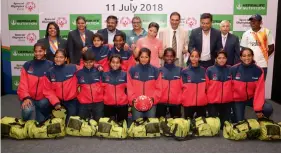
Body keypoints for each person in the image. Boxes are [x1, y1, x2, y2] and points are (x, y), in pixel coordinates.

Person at [231, 47, 273, 122]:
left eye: (249, 55)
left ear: (252, 56)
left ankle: (262, 121)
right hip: (238, 99)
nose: (247, 58)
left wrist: (258, 109)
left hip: (252, 98)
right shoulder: (233, 69)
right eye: (244, 56)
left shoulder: (258, 70)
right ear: (240, 57)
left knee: (268, 108)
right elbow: (229, 88)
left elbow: (259, 91)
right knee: (239, 122)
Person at [17, 43, 53, 123]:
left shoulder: (51, 65)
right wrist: (26, 98)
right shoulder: (27, 65)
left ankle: (46, 114)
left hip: (42, 99)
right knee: (27, 110)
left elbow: (53, 85)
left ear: (45, 51)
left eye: (40, 51)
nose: (38, 53)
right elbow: (23, 84)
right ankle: (25, 123)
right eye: (36, 51)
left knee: (40, 122)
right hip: (29, 97)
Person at [43, 49, 80, 123]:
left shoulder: (73, 68)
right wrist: (56, 102)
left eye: (61, 57)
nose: (58, 59)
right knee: (44, 105)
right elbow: (47, 90)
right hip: (57, 100)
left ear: (66, 59)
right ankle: (48, 116)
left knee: (69, 123)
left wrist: (97, 66)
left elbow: (87, 67)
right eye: (56, 57)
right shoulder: (49, 72)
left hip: (71, 100)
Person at [127, 48, 162, 120]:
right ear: (138, 57)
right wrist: (133, 100)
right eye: (142, 57)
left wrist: (153, 99)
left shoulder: (156, 70)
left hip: (151, 104)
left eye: (146, 57)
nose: (144, 59)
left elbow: (159, 88)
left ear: (149, 57)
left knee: (150, 127)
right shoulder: (132, 70)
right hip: (136, 103)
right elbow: (129, 87)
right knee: (137, 127)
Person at [240, 14, 275, 79]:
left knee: (260, 86)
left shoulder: (266, 32)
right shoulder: (246, 34)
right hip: (249, 64)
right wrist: (247, 59)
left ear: (260, 22)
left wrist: (263, 57)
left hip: (262, 65)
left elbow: (272, 48)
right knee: (249, 85)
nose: (252, 22)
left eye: (255, 21)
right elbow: (243, 49)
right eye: (251, 21)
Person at [206, 51, 233, 126]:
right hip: (213, 102)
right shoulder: (210, 70)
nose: (222, 60)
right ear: (216, 59)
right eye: (219, 58)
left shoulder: (231, 69)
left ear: (226, 59)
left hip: (226, 102)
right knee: (214, 126)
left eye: (224, 58)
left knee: (224, 126)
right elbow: (206, 86)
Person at [75, 51, 103, 121]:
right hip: (84, 103)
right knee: (82, 122)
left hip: (98, 102)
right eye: (86, 62)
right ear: (83, 61)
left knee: (99, 122)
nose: (88, 64)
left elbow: (104, 85)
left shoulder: (99, 71)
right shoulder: (78, 73)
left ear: (94, 61)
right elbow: (75, 87)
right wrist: (79, 97)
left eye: (90, 62)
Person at [181, 49, 208, 119]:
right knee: (188, 125)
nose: (194, 58)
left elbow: (207, 86)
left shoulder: (204, 70)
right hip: (188, 103)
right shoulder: (184, 71)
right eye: (192, 56)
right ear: (189, 57)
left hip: (201, 103)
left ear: (199, 58)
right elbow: (181, 87)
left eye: (196, 56)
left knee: (201, 127)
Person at [156, 48, 182, 118]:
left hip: (175, 103)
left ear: (174, 57)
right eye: (167, 56)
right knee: (160, 126)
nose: (169, 58)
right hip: (161, 102)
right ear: (164, 57)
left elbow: (183, 87)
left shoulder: (180, 70)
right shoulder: (159, 70)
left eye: (171, 56)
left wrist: (180, 99)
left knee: (176, 126)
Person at [102, 54, 128, 122]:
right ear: (110, 63)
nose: (115, 64)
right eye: (113, 62)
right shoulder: (104, 75)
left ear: (120, 63)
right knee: (109, 128)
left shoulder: (125, 75)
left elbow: (129, 89)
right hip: (108, 105)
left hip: (122, 105)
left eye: (117, 62)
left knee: (122, 128)